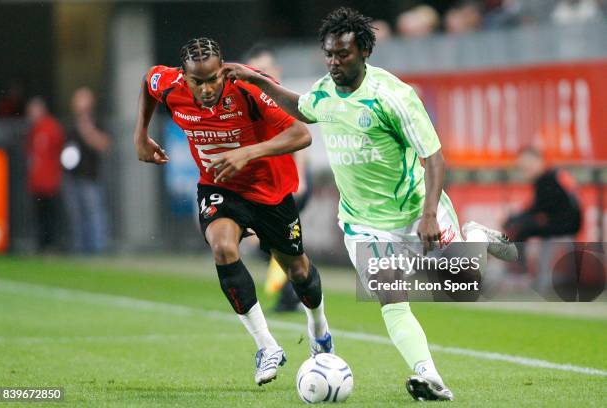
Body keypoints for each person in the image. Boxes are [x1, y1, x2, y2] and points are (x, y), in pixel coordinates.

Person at [219, 7, 518, 401]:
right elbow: (301, 107)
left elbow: (434, 157)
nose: (334, 62)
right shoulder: (326, 91)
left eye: (342, 54)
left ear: (363, 52)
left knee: (462, 284)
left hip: (414, 210)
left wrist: (429, 213)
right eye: (328, 54)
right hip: (363, 223)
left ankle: (475, 236)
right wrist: (259, 81)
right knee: (392, 300)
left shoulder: (392, 97)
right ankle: (429, 376)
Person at [133, 37, 333, 386]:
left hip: (269, 192)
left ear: (223, 70)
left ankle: (319, 330)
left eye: (214, 79)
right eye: (199, 82)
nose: (208, 88)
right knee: (223, 248)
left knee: (298, 271)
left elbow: (302, 134)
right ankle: (267, 346)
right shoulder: (170, 85)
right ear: (184, 77)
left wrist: (247, 153)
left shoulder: (247, 88)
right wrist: (141, 136)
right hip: (219, 187)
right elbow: (147, 83)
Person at [245, 43, 308, 313]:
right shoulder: (249, 102)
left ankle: (294, 292)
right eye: (256, 70)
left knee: (276, 241)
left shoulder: (285, 99)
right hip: (264, 185)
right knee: (267, 244)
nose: (262, 74)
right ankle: (294, 290)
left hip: (291, 182)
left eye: (265, 68)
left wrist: (302, 178)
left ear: (276, 70)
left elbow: (300, 139)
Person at [63, 87, 111, 254]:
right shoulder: (70, 123)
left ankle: (98, 248)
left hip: (90, 176)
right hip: (72, 176)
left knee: (94, 213)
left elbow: (104, 144)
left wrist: (87, 129)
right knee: (76, 214)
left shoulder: (96, 122)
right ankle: (80, 248)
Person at [504, 147, 581, 242]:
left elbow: (538, 208)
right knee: (521, 224)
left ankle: (518, 256)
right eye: (522, 168)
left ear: (539, 161)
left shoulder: (547, 180)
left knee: (521, 227)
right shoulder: (552, 176)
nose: (525, 170)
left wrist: (512, 219)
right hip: (567, 224)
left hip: (565, 226)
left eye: (528, 165)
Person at [25, 97, 65, 251]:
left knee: (50, 216)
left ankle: (52, 245)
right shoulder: (33, 130)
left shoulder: (51, 127)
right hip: (36, 181)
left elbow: (59, 151)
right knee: (39, 216)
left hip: (50, 181)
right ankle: (42, 245)